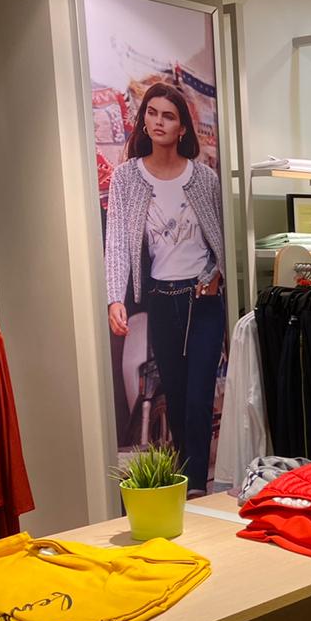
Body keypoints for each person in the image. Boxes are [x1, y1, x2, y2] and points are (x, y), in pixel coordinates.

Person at [104, 83, 225, 497]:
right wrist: (114, 298)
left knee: (198, 396)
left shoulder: (204, 177)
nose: (158, 122)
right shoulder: (127, 178)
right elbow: (117, 241)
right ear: (143, 121)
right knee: (174, 394)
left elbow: (221, 238)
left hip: (203, 299)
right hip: (161, 298)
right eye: (152, 113)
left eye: (168, 116)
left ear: (182, 127)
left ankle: (196, 486)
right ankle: (188, 483)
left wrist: (217, 273)